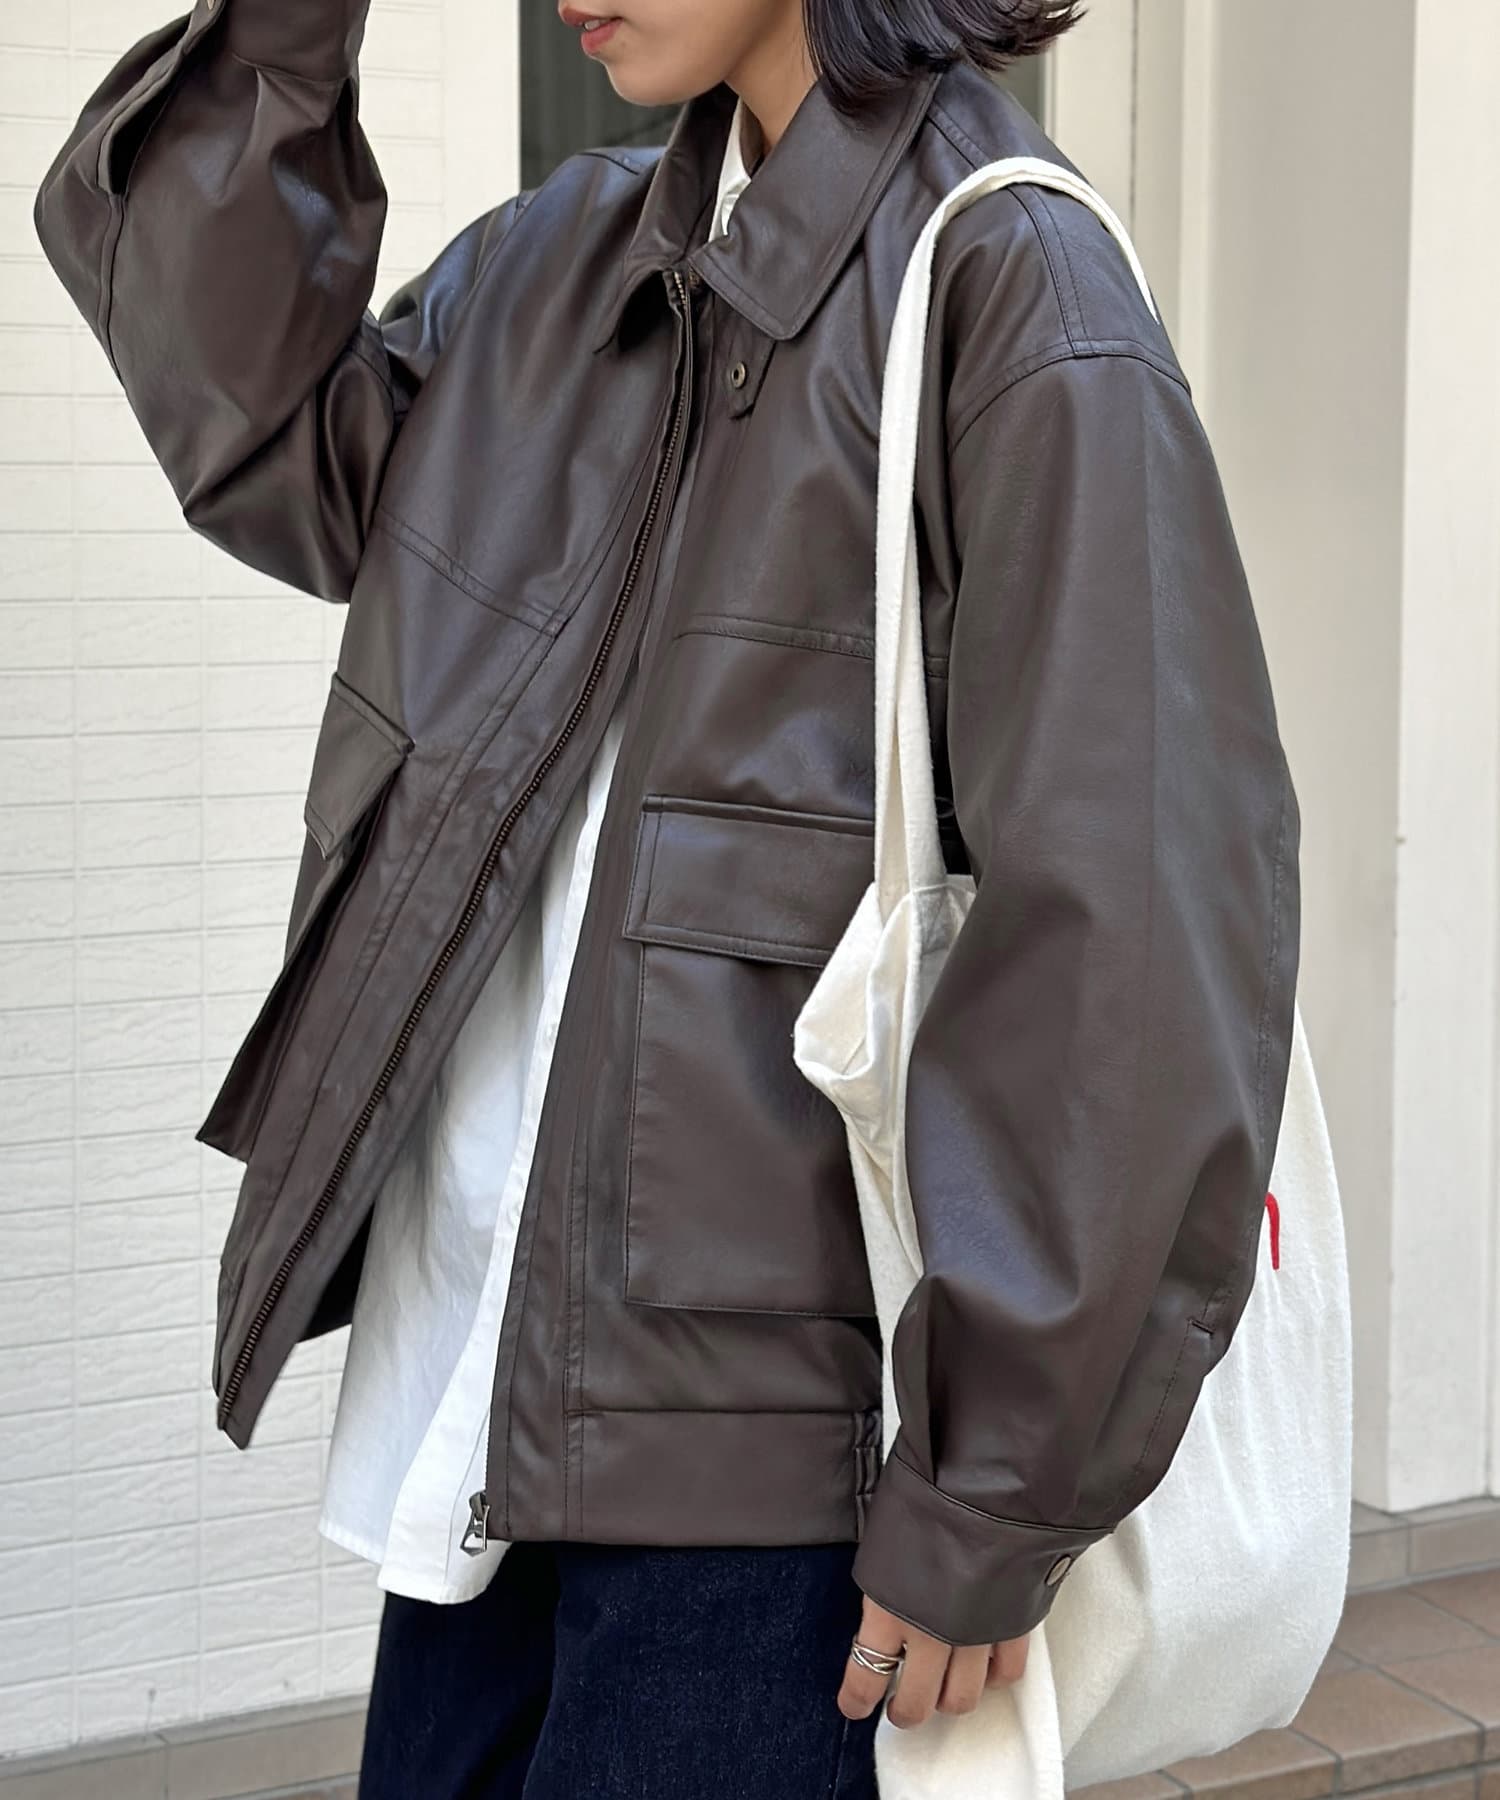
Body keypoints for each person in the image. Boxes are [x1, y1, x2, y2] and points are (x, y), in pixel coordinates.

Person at [33, 0, 1300, 1793]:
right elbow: (275, 440)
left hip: (773, 1510)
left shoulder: (1012, 279)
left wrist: (992, 1493)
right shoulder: (578, 261)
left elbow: (1140, 933)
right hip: (490, 1425)